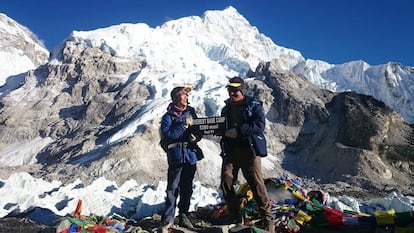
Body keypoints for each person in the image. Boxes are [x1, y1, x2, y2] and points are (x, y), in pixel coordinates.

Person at [219, 77, 275, 233]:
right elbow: (222, 127)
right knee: (226, 180)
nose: (232, 92)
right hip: (231, 150)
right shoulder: (226, 108)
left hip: (250, 150)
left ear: (242, 90)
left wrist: (238, 131)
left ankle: (268, 219)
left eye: (235, 90)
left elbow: (259, 125)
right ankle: (235, 215)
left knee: (256, 183)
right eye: (230, 90)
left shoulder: (254, 105)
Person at [159, 86, 203, 232]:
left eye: (186, 95)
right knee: (172, 188)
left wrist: (196, 137)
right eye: (183, 95)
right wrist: (183, 125)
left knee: (187, 188)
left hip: (190, 155)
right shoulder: (168, 117)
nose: (186, 97)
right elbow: (168, 134)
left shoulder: (192, 113)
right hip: (177, 156)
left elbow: (199, 131)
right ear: (175, 98)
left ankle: (183, 215)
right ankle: (167, 218)